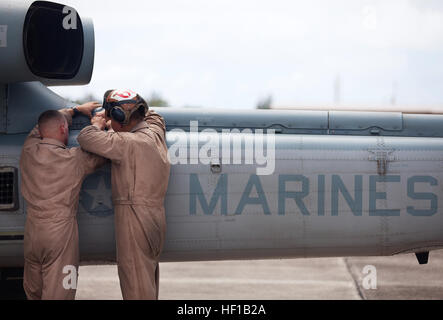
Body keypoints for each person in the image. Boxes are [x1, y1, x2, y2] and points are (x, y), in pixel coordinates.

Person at [77, 89, 170, 300]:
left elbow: (86, 137)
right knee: (146, 284)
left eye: (112, 115)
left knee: (135, 286)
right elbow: (155, 115)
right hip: (154, 217)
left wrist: (99, 122)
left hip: (134, 219)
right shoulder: (154, 133)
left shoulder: (127, 143)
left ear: (120, 118)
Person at [20, 102, 106, 300]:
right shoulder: (74, 159)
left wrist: (73, 111)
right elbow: (102, 151)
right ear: (63, 128)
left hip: (32, 234)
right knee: (62, 293)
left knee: (34, 293)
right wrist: (97, 125)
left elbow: (41, 125)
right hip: (60, 233)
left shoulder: (28, 149)